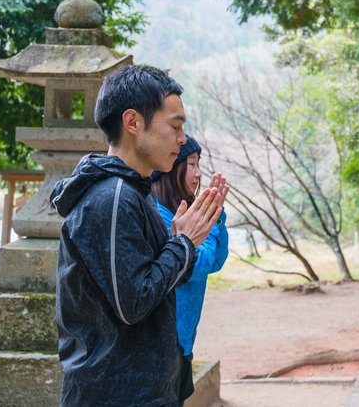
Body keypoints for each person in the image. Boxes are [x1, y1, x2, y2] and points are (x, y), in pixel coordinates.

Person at [50, 64, 229, 406]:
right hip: (114, 394)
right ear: (132, 123)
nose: (181, 138)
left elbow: (151, 281)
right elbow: (134, 303)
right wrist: (183, 243)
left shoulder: (135, 190)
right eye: (175, 126)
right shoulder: (112, 197)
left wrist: (179, 242)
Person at [151, 135, 229, 366]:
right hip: (164, 344)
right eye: (192, 164)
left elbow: (217, 262)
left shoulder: (182, 210)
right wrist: (208, 218)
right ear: (171, 167)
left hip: (182, 342)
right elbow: (199, 264)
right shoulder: (160, 215)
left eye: (199, 164)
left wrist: (213, 217)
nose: (198, 173)